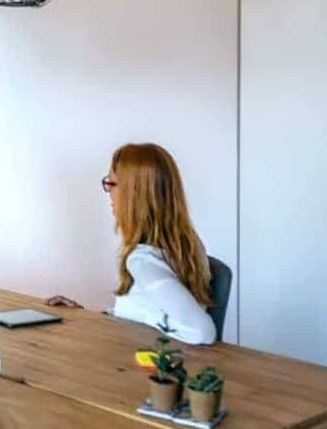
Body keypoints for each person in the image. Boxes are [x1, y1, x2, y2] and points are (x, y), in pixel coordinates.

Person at [47, 143, 217, 345]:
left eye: (112, 184)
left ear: (132, 194)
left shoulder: (142, 261)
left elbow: (202, 331)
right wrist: (89, 317)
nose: (108, 192)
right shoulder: (190, 245)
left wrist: (145, 320)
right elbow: (149, 304)